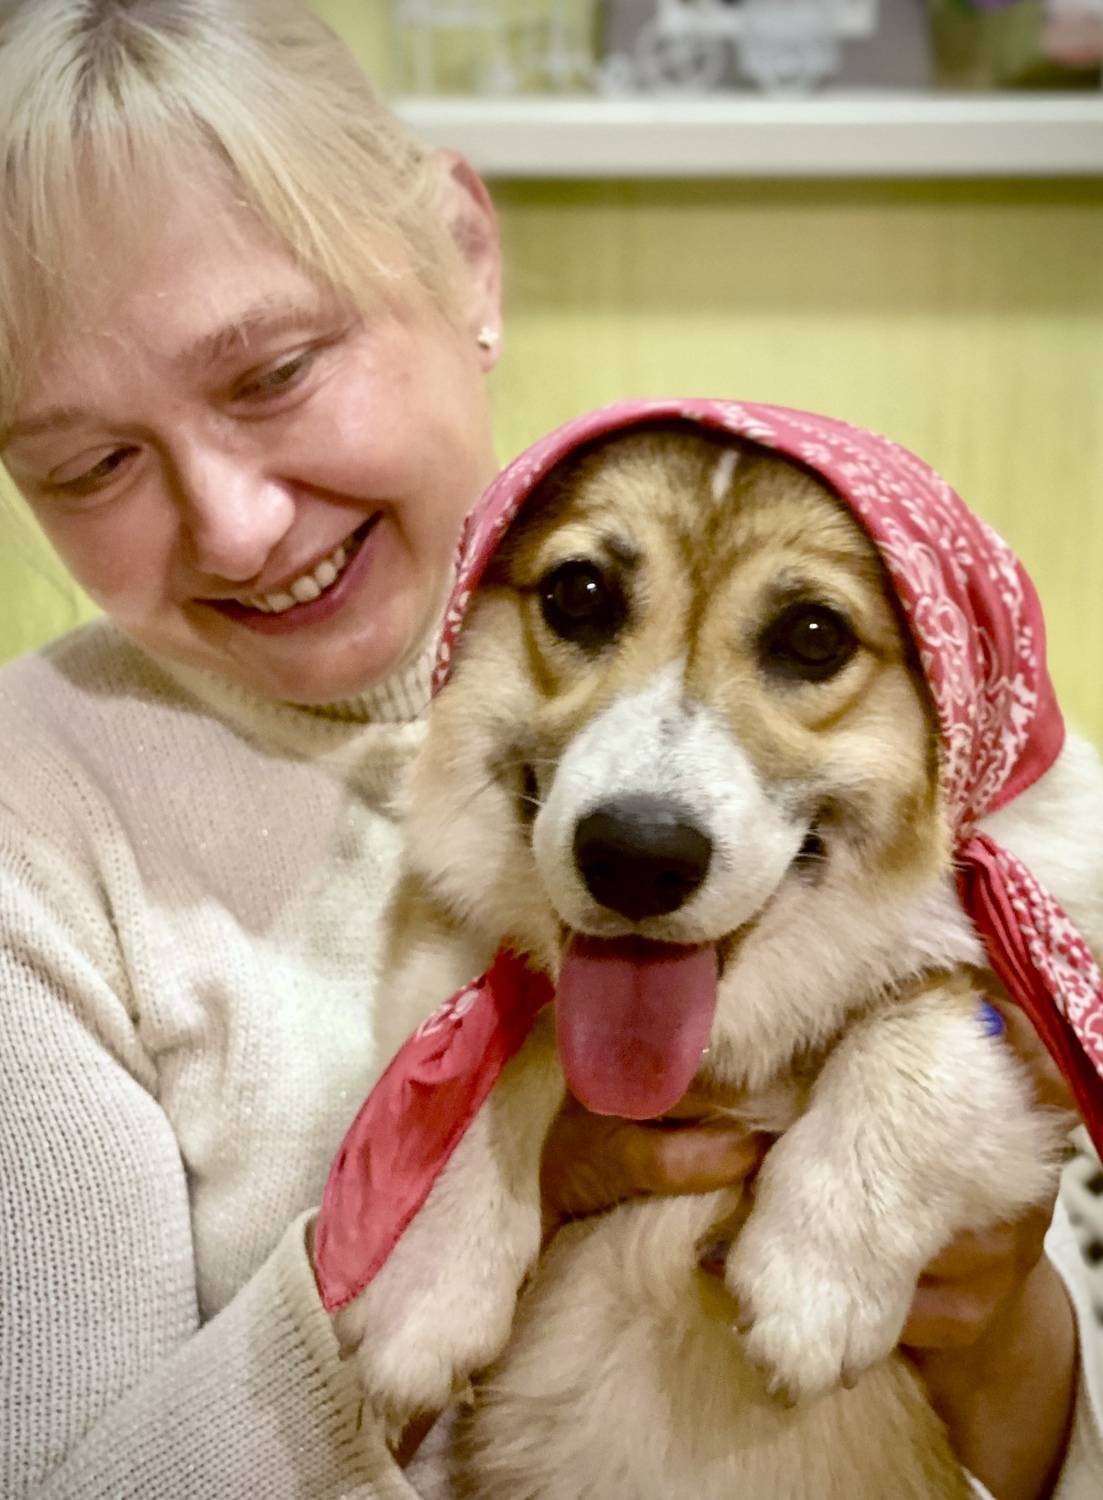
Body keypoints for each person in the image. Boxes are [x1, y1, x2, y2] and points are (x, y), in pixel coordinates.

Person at [0, 3, 1097, 1497]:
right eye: (91, 464)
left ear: (465, 256)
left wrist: (1008, 1334)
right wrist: (463, 1196)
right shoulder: (35, 821)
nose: (237, 525)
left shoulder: (941, 787)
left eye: (274, 373)